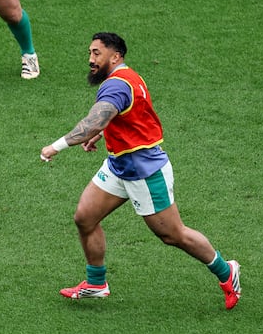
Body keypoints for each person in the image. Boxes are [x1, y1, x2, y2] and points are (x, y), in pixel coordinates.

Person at [40, 32, 241, 310]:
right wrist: (103, 134)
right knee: (85, 218)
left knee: (173, 234)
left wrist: (57, 146)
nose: (91, 59)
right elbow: (129, 116)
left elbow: (93, 121)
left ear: (116, 56)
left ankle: (226, 271)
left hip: (145, 172)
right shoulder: (127, 78)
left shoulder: (117, 86)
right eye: (90, 52)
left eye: (97, 53)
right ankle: (96, 284)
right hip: (119, 164)